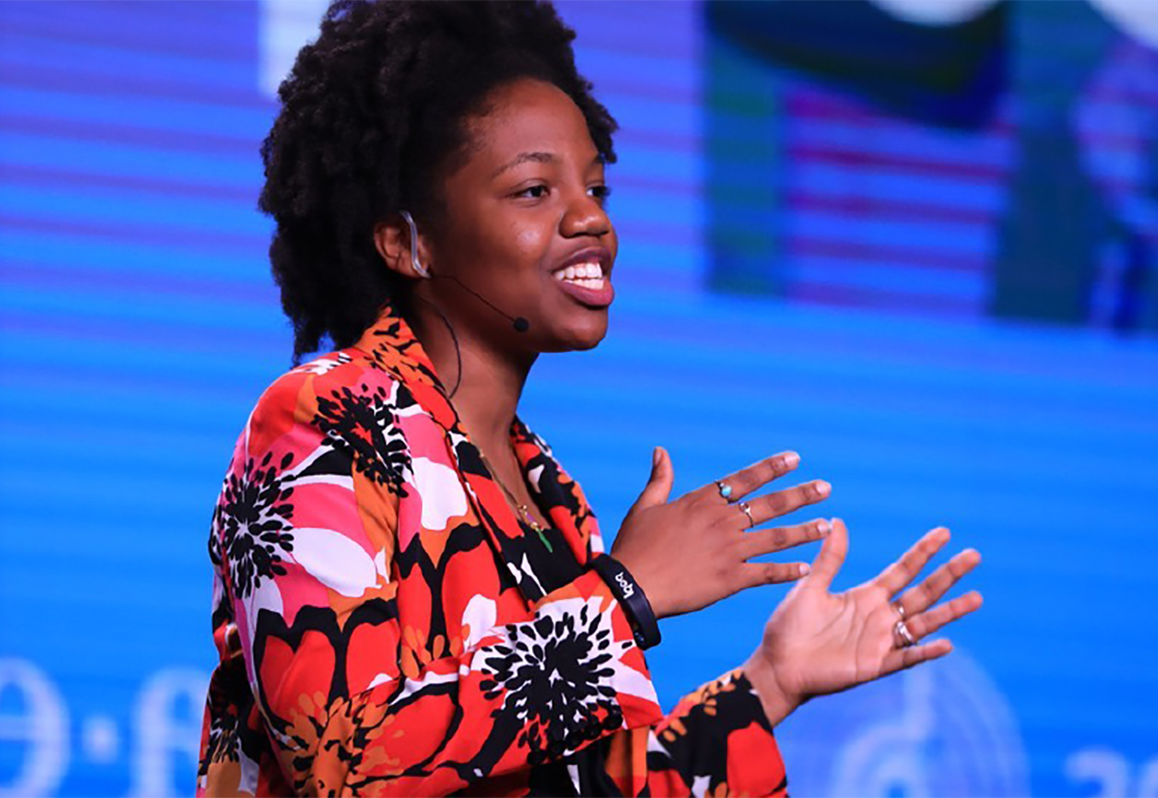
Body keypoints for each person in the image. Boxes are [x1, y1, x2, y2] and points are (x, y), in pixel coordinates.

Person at [199, 1, 985, 794]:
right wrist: (626, 594)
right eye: (534, 190)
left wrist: (772, 682)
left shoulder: (546, 496)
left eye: (597, 188)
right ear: (409, 241)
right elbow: (340, 758)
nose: (591, 220)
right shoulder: (326, 416)